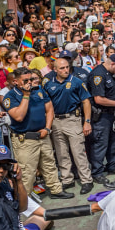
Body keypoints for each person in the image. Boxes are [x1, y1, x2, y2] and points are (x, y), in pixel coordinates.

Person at [4, 68, 73, 198]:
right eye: (25, 80)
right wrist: (26, 95)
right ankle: (26, 199)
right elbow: (18, 116)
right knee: (27, 172)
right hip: (25, 139)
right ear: (15, 81)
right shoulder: (11, 96)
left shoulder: (39, 90)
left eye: (31, 79)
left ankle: (56, 190)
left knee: (49, 164)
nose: (30, 82)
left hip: (43, 135)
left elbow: (49, 109)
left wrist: (47, 128)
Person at [43, 55, 94, 195]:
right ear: (55, 69)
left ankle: (86, 180)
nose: (66, 70)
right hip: (55, 121)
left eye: (67, 67)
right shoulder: (48, 83)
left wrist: (87, 122)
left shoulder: (76, 82)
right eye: (62, 68)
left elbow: (86, 102)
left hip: (72, 119)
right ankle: (67, 179)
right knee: (61, 152)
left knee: (78, 152)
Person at [87, 53, 115, 189]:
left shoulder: (109, 73)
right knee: (100, 143)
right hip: (101, 115)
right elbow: (98, 99)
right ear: (112, 64)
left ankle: (112, 165)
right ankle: (97, 172)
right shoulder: (98, 75)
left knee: (112, 141)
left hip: (110, 114)